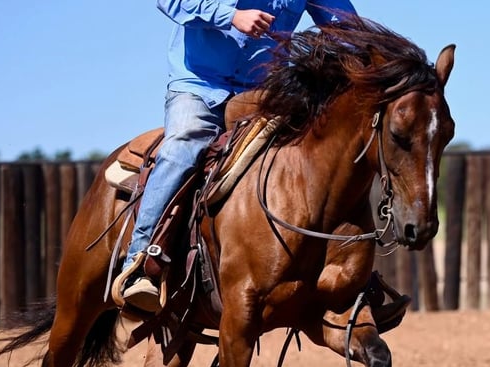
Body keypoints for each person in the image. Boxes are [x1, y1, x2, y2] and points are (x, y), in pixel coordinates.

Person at [116, 0, 357, 313]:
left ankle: (351, 271)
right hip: (200, 85)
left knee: (318, 152)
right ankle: (139, 263)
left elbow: (344, 25)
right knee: (181, 148)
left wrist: (374, 63)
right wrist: (232, 17)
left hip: (265, 90)